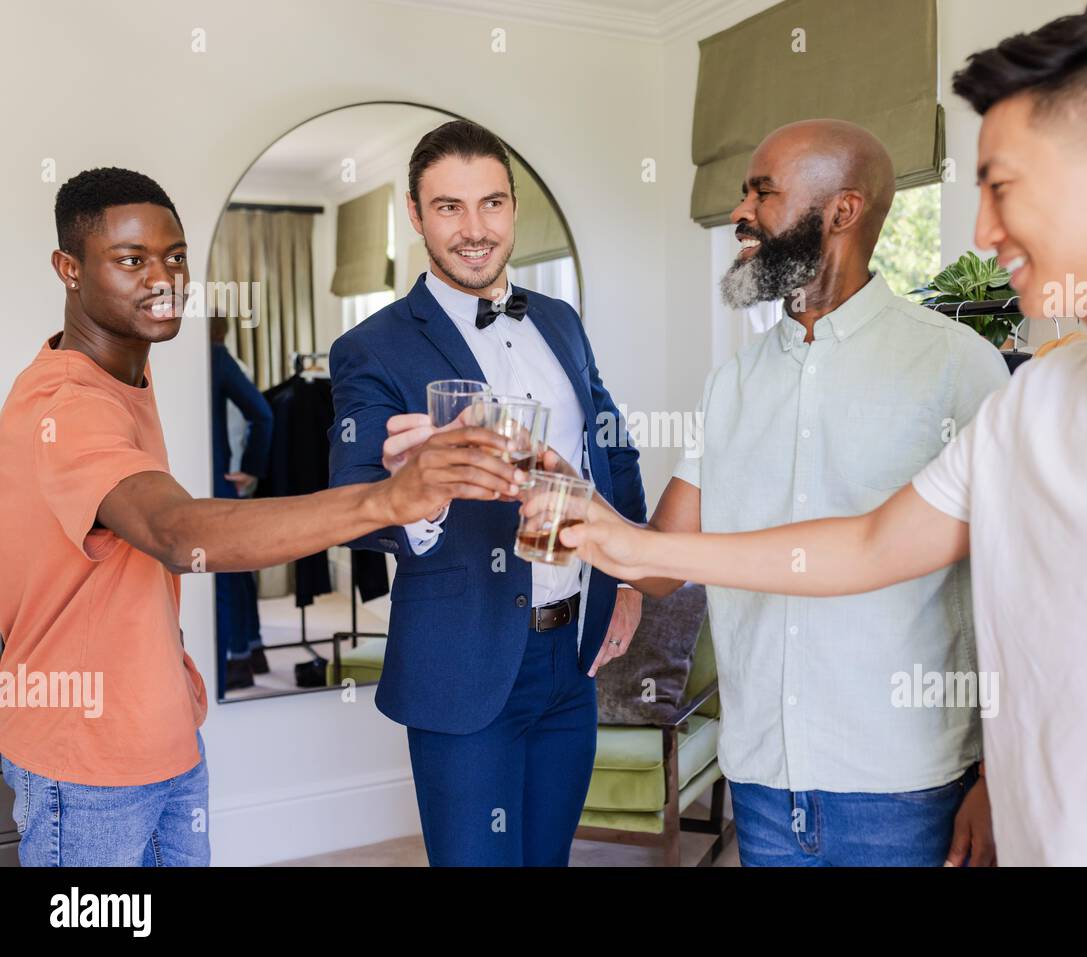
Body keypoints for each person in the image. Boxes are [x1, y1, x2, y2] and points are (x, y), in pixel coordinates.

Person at [558, 3, 1087, 866]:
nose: (981, 233)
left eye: (1005, 186)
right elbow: (867, 545)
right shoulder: (1035, 405)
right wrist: (601, 527)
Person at [0, 167, 517, 866]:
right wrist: (388, 499)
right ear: (69, 269)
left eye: (175, 256)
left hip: (166, 736)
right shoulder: (66, 405)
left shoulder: (124, 374)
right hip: (87, 763)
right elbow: (177, 533)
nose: (164, 277)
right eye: (131, 259)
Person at [638, 118, 1006, 865]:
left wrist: (997, 776)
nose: (739, 213)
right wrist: (552, 486)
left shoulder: (958, 368)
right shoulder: (729, 383)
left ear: (842, 211)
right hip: (765, 785)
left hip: (909, 788)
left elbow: (1013, 590)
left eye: (761, 193)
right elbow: (659, 563)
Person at [328, 120, 646, 866]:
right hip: (462, 666)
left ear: (513, 207)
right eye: (449, 208)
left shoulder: (561, 321)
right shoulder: (371, 347)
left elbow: (613, 452)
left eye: (492, 204)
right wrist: (425, 492)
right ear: (415, 214)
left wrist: (627, 576)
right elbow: (352, 504)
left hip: (572, 655)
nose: (475, 230)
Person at [209, 312, 273, 693]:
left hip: (215, 479)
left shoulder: (212, 359)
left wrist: (250, 468)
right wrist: (251, 469)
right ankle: (251, 650)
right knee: (238, 570)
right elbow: (260, 415)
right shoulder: (222, 360)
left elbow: (261, 415)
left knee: (224, 577)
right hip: (225, 481)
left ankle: (236, 658)